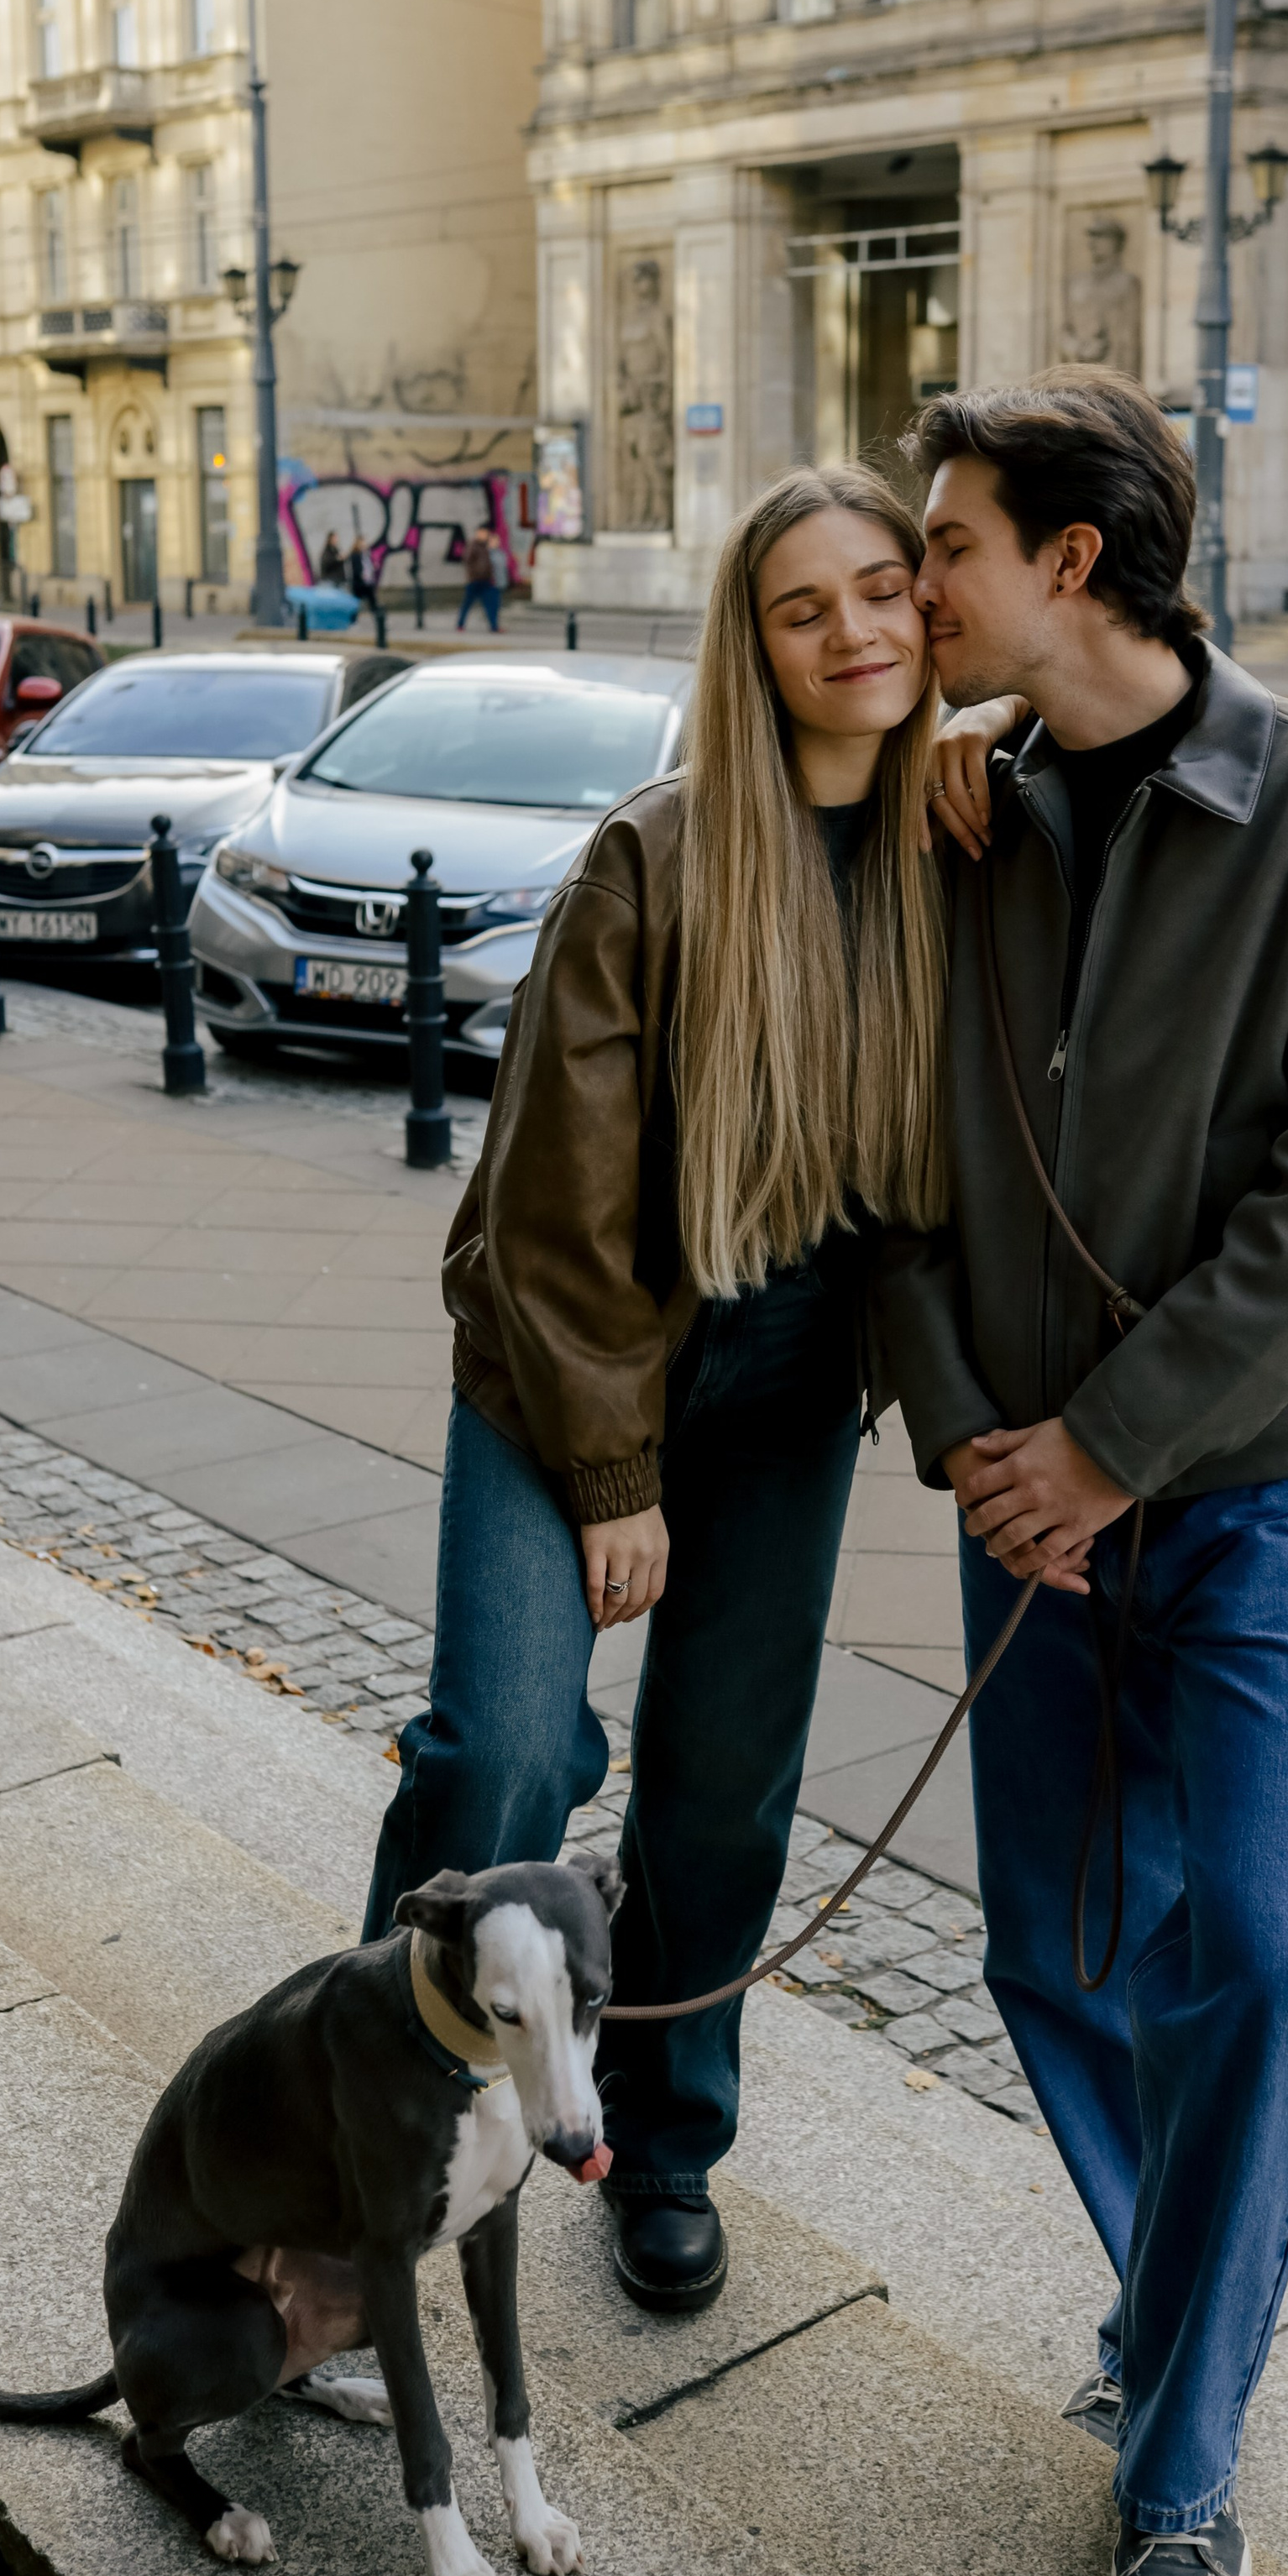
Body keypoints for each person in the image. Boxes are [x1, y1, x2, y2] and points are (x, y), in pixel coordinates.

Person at [882, 373, 1288, 2576]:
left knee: (1283, 1959)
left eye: (944, 548)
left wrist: (1112, 1447)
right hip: (1026, 1502)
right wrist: (963, 1440)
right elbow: (893, 1168)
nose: (913, 585)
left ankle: (1186, 2447)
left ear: (1071, 565)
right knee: (1053, 1949)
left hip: (1269, 1494)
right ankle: (1175, 2293)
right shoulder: (950, 820)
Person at [364, 464, 950, 2317]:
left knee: (720, 1796)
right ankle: (387, 2090)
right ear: (751, 645)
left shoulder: (968, 851)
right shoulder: (662, 853)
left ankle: (659, 2141)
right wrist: (615, 1477)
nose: (852, 630)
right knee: (508, 1752)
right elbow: (546, 1211)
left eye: (882, 589)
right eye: (803, 607)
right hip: (566, 1363)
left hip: (783, 1400)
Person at [458, 521, 505, 634]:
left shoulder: (487, 546)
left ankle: (494, 626)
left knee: (491, 604)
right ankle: (460, 624)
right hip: (474, 580)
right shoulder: (473, 545)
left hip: (486, 580)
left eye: (486, 533)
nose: (484, 535)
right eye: (482, 533)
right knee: (467, 604)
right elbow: (467, 560)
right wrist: (473, 573)